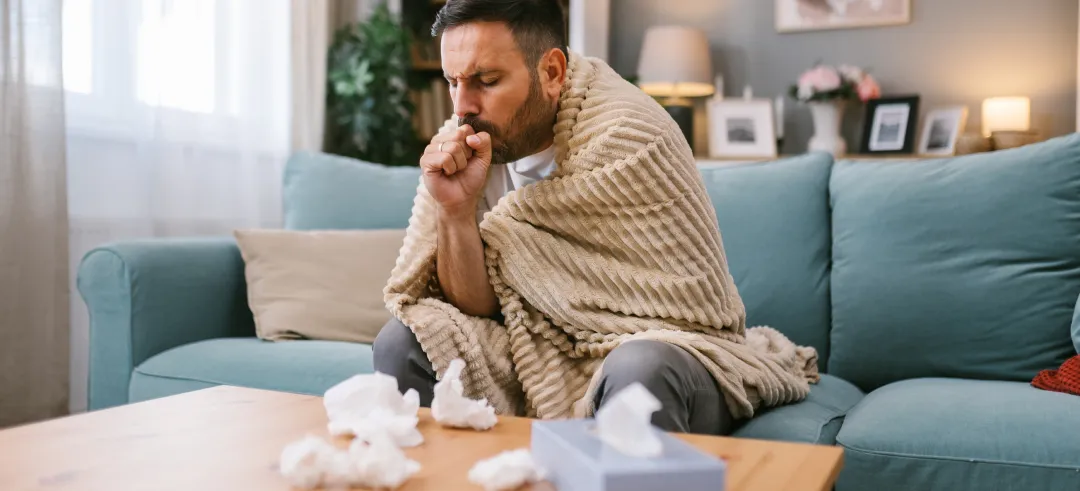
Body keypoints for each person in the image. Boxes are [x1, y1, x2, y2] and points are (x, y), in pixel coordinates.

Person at [374, 0, 817, 436]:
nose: (462, 105)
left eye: (485, 80)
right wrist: (455, 211)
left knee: (640, 369)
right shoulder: (468, 141)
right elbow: (479, 308)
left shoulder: (629, 135)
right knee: (404, 341)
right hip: (529, 345)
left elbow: (686, 315)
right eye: (453, 82)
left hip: (666, 349)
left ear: (551, 73)